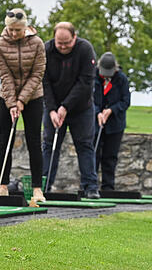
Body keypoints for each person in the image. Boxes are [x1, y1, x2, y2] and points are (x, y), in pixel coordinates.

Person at [0, 9, 46, 202]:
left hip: (34, 97)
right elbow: (5, 75)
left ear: (25, 28)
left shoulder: (37, 43)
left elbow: (37, 74)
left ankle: (38, 189)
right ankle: (3, 185)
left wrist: (22, 100)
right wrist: (12, 103)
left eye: (17, 30)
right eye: (10, 29)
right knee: (5, 140)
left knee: (34, 142)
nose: (13, 34)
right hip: (7, 96)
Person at [41, 22, 100, 198]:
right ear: (54, 38)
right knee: (49, 145)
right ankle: (43, 185)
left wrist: (65, 106)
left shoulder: (85, 49)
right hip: (53, 108)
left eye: (67, 43)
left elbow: (85, 83)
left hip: (81, 108)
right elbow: (44, 82)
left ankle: (90, 187)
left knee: (85, 146)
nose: (63, 47)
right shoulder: (46, 50)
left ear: (74, 37)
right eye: (60, 43)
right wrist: (52, 109)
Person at [93, 52, 131, 191]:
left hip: (115, 125)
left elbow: (126, 101)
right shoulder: (93, 76)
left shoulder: (121, 79)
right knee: (93, 155)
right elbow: (89, 99)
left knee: (110, 157)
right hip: (96, 123)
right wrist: (97, 112)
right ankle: (90, 186)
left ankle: (108, 188)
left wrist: (111, 110)